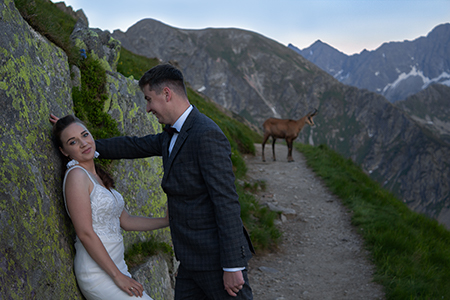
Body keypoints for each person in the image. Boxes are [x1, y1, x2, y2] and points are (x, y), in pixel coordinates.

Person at [53, 63, 255, 299]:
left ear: (166, 94)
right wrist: (84, 144)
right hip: (189, 261)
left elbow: (226, 202)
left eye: (149, 99)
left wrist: (232, 265)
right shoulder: (170, 134)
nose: (148, 108)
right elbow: (133, 145)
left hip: (215, 260)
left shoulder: (206, 134)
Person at [52, 115, 169, 300]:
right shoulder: (76, 176)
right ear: (64, 151)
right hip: (97, 273)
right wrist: (118, 277)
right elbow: (84, 233)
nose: (83, 143)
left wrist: (166, 221)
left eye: (85, 135)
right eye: (73, 142)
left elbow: (127, 221)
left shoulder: (97, 176)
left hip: (117, 266)